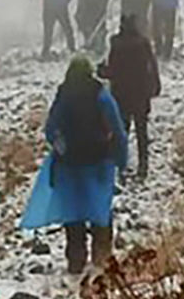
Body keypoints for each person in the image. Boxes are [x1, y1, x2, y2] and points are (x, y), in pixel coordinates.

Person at [19, 56, 128, 274]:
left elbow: (51, 129)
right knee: (100, 213)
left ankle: (76, 263)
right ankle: (102, 261)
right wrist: (121, 160)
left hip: (69, 166)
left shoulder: (64, 95)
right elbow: (118, 128)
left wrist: (63, 148)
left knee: (74, 215)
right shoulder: (101, 94)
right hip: (99, 163)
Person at [100, 13, 160, 180]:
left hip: (121, 95)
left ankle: (121, 167)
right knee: (142, 132)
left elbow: (111, 70)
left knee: (121, 132)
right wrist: (155, 85)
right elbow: (152, 66)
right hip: (140, 94)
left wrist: (100, 71)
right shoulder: (143, 43)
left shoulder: (116, 43)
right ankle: (143, 166)